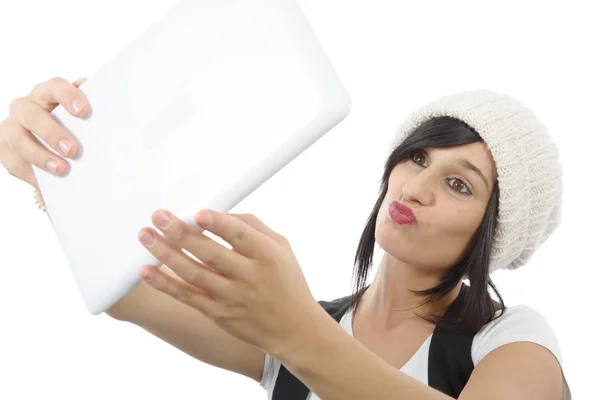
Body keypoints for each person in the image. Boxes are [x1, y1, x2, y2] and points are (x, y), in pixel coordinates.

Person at [0, 77, 571, 399]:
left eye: (458, 184)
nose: (418, 186)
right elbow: (124, 289)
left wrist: (295, 328)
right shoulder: (291, 330)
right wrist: (52, 172)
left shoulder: (510, 340)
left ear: (493, 233)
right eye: (417, 157)